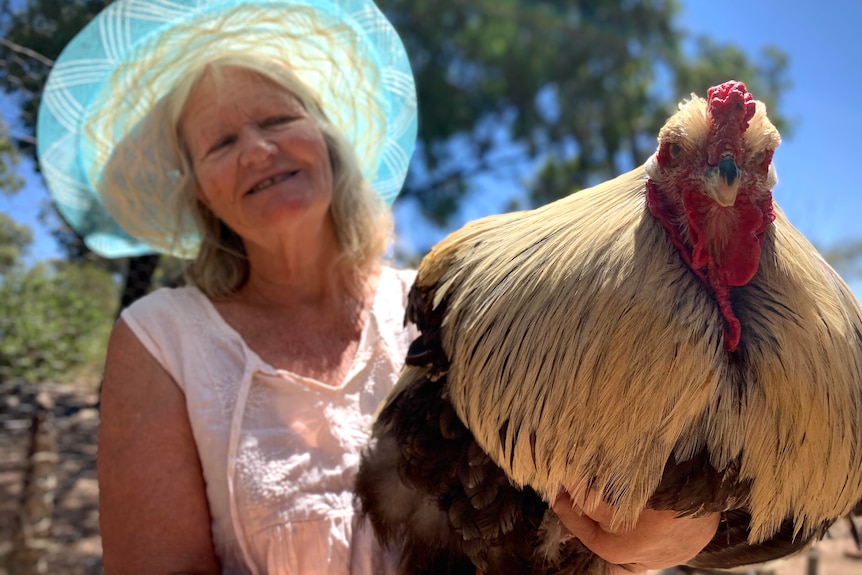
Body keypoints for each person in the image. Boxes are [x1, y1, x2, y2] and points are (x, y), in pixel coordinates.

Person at [36, 0, 718, 573]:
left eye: (276, 120)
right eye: (218, 144)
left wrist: (674, 530)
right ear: (200, 193)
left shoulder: (447, 304)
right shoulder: (163, 337)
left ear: (326, 141)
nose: (255, 149)